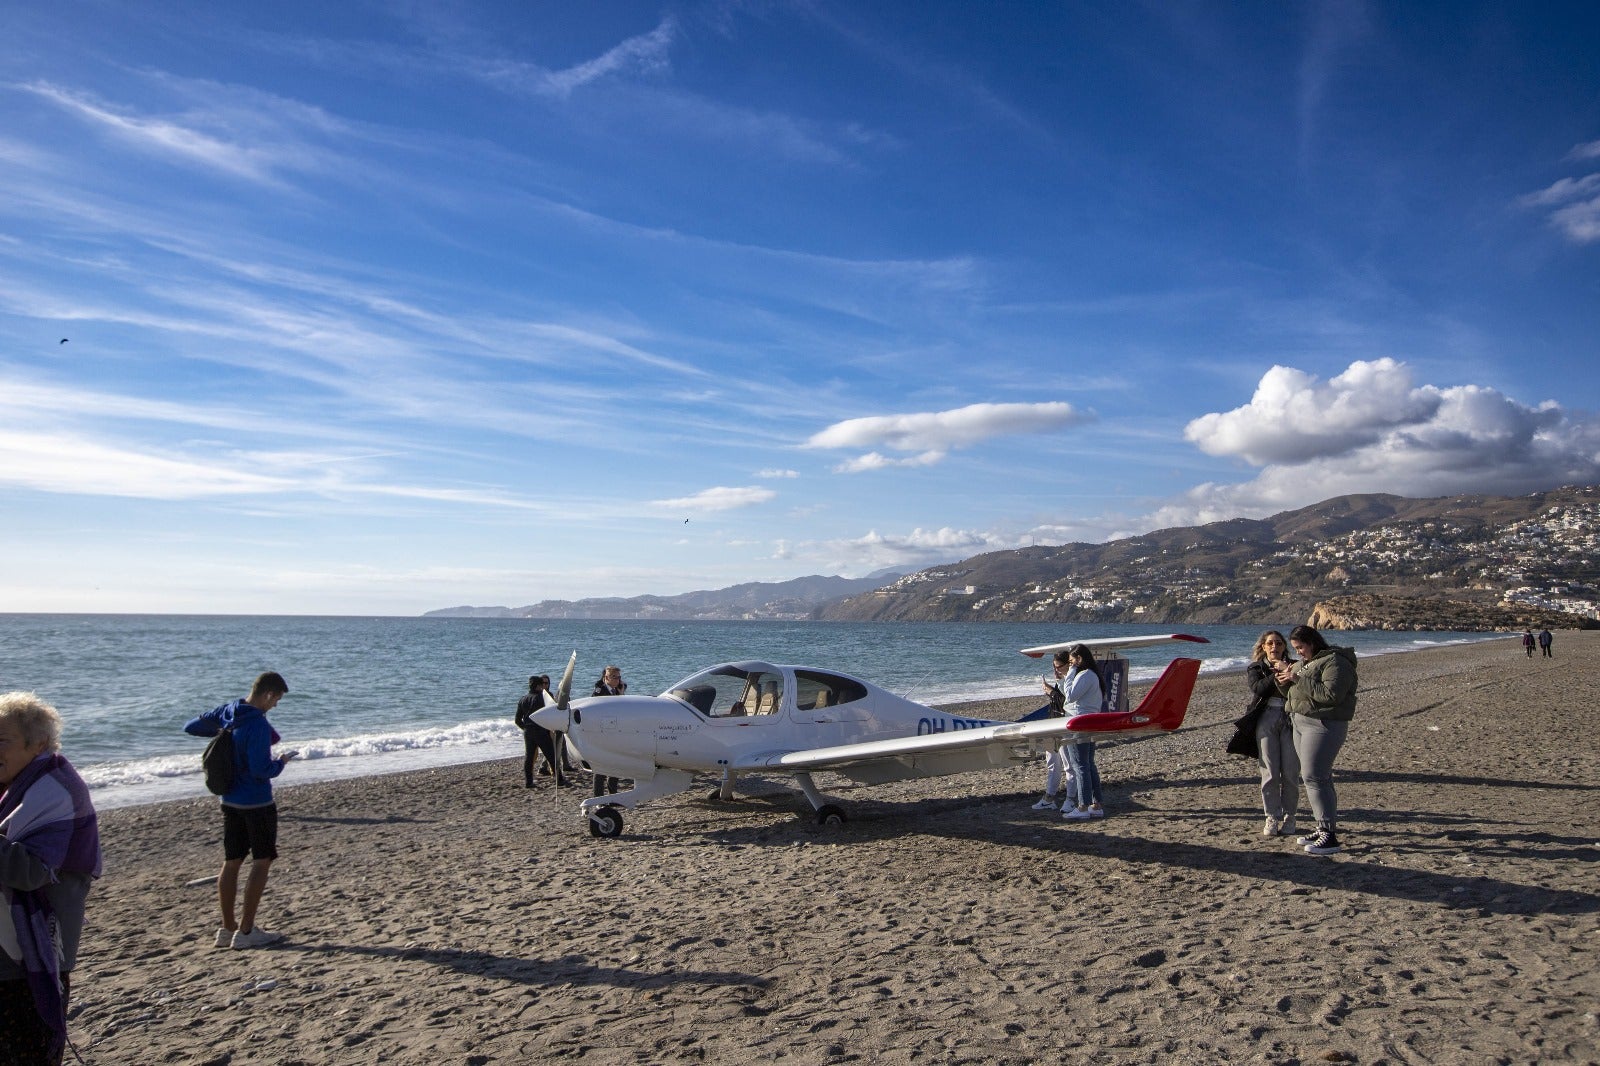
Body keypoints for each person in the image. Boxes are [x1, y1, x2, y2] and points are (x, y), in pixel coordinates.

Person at [0, 692, 101, 1066]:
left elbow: (31, 871)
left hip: (32, 954)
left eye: (1, 741)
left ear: (38, 744)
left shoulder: (55, 789)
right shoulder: (15, 786)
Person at [184, 671, 296, 949]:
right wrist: (281, 763)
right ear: (268, 694)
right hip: (256, 801)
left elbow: (191, 726)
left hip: (229, 798)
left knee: (232, 860)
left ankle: (227, 928)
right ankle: (246, 931)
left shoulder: (230, 712)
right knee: (262, 859)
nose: (276, 705)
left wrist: (222, 730)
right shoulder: (256, 724)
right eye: (277, 700)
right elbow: (261, 770)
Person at [1274, 626, 1357, 856]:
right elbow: (1292, 693)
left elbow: (1331, 695)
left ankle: (1329, 835)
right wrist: (1283, 678)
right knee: (1316, 777)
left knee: (1315, 776)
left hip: (1324, 724)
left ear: (1312, 642)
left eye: (1300, 647)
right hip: (1300, 722)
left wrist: (1295, 677)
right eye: (1295, 649)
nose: (1298, 653)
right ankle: (1322, 827)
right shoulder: (1304, 664)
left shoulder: (1335, 662)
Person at [1245, 631, 1300, 837]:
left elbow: (1302, 686)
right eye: (1270, 643)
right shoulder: (1256, 668)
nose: (1274, 647)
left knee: (1290, 770)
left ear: (1285, 646)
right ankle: (1271, 816)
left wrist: (1288, 670)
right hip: (1266, 717)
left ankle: (1290, 816)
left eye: (1278, 643)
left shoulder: (1295, 665)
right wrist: (1275, 673)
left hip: (1290, 715)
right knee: (1269, 770)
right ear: (1263, 647)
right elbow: (1258, 689)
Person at [1057, 645, 1106, 822]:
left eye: (1071, 661)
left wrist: (1069, 673)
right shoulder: (1091, 676)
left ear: (1079, 659)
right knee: (1087, 764)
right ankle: (1096, 804)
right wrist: (1065, 677)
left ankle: (1083, 806)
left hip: (1079, 722)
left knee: (1080, 765)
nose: (1070, 665)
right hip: (1086, 720)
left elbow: (1070, 696)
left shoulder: (1085, 675)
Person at [1029, 650, 1075, 811]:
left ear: (1068, 665)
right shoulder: (1061, 680)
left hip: (1064, 726)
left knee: (1068, 764)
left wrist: (1052, 692)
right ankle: (1049, 797)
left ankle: (1071, 799)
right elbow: (1059, 701)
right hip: (1052, 724)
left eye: (1058, 667)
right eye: (1054, 668)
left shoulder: (1072, 680)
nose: (1056, 671)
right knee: (1051, 762)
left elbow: (1068, 702)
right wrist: (1052, 692)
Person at [514, 676, 563, 788]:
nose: (543, 687)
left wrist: (526, 728)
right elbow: (550, 714)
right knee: (551, 755)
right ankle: (559, 779)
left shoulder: (523, 699)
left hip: (528, 732)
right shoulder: (542, 698)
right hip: (541, 731)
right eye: (542, 685)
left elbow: (517, 720)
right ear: (537, 686)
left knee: (529, 758)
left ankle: (529, 782)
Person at [589, 666, 626, 796]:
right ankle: (598, 797)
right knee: (600, 769)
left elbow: (621, 710)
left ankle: (613, 795)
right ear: (606, 678)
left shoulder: (617, 691)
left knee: (614, 766)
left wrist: (621, 694)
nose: (618, 680)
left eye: (619, 677)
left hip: (614, 734)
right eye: (614, 677)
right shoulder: (600, 692)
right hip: (602, 735)